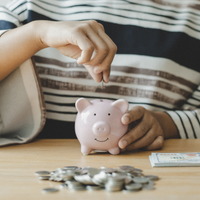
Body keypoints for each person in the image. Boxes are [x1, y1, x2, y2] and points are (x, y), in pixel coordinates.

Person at [0, 0, 200, 152]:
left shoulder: (194, 24)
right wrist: (35, 35)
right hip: (24, 173)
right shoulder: (22, 7)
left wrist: (165, 123)